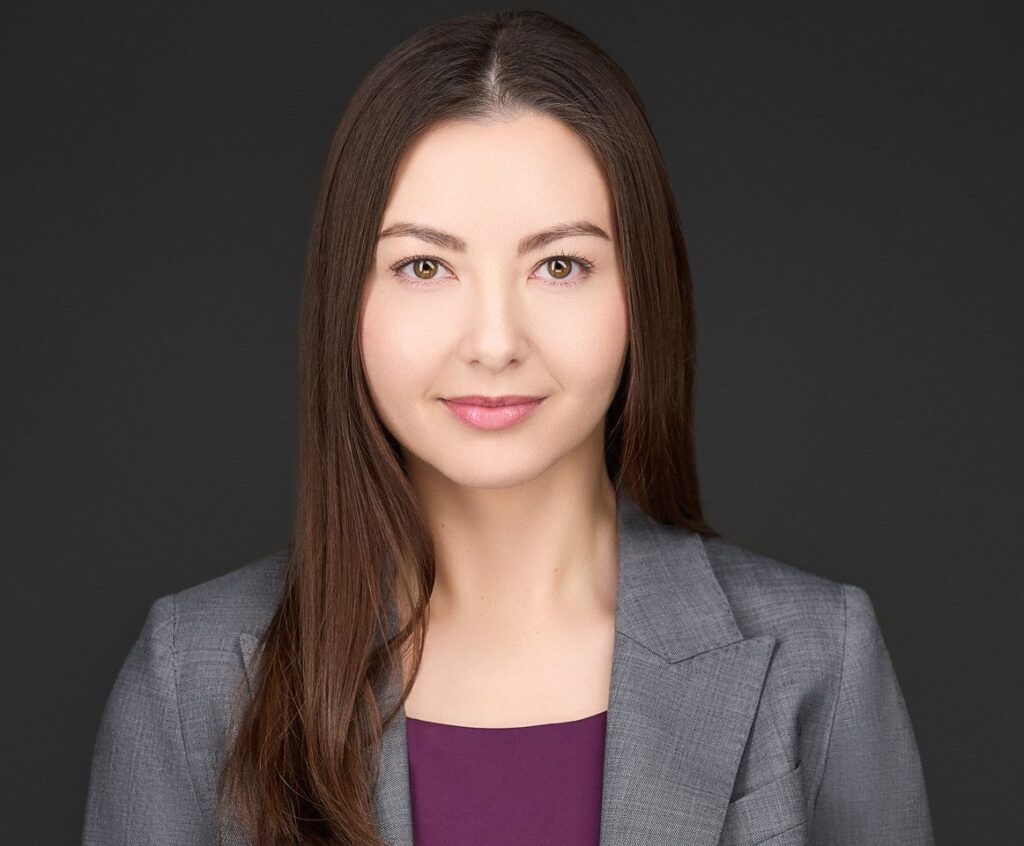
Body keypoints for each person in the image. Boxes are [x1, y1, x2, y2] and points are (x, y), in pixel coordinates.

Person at [81, 9, 935, 846]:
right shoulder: (193, 676)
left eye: (560, 265)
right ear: (346, 300)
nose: (494, 343)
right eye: (424, 265)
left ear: (644, 291)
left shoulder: (818, 656)